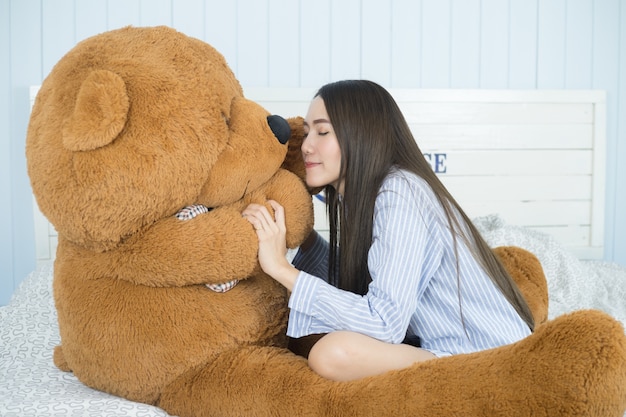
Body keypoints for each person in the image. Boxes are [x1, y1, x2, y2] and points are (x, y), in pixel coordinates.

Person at [242, 80, 534, 382]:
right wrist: (302, 240)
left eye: (323, 131)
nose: (306, 146)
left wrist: (281, 269)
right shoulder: (370, 195)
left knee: (331, 353)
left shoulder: (399, 191)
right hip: (460, 350)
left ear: (363, 134)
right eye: (306, 133)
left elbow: (384, 321)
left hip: (488, 358)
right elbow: (370, 280)